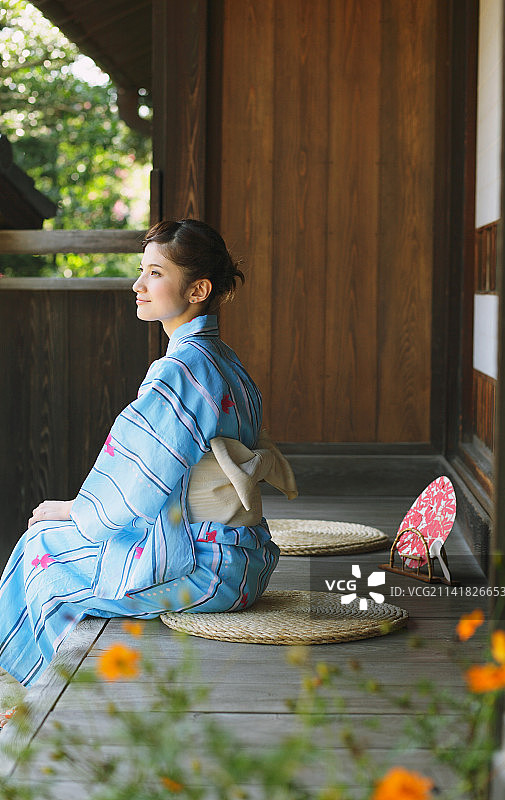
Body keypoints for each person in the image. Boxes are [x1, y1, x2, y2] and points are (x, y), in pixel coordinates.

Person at [0, 219, 297, 726]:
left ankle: (51, 708)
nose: (138, 285)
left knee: (42, 553)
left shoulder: (181, 369)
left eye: (155, 273)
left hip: (206, 568)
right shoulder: (222, 360)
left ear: (198, 289)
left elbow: (136, 485)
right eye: (141, 271)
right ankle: (39, 698)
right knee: (50, 542)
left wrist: (75, 509)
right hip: (244, 557)